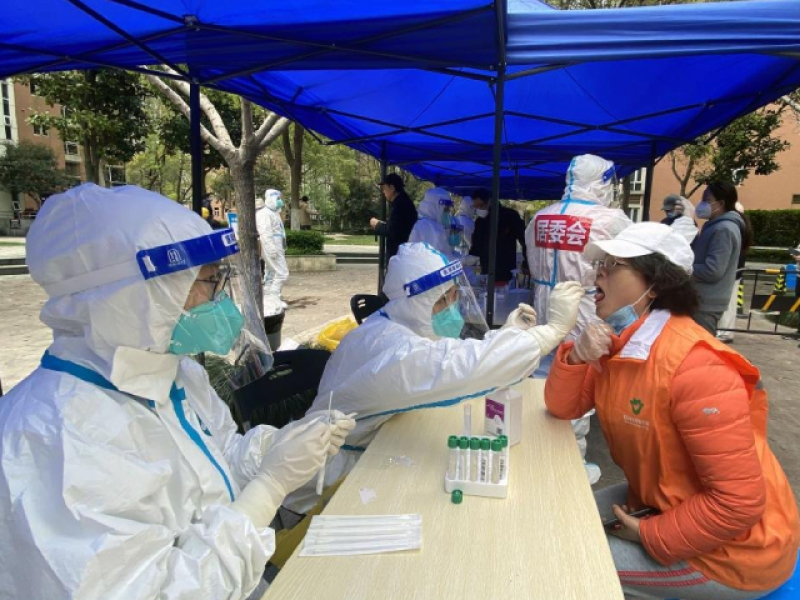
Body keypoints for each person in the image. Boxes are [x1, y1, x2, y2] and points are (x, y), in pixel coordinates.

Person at [0, 184, 356, 600]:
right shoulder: (55, 438)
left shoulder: (174, 375)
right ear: (136, 297)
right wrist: (270, 487)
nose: (220, 299)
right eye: (206, 280)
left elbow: (218, 465)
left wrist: (276, 450)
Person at [544, 221, 799, 600]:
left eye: (613, 264)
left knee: (562, 559)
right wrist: (577, 355)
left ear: (657, 282)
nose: (598, 272)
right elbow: (563, 406)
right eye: (599, 265)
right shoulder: (619, 346)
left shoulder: (697, 367)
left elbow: (738, 503)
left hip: (735, 552)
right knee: (554, 514)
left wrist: (649, 534)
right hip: (660, 501)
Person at [284, 242, 585, 513]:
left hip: (372, 448)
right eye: (442, 300)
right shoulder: (391, 352)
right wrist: (549, 333)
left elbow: (442, 355)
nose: (452, 307)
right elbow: (451, 368)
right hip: (331, 480)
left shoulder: (393, 323)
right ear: (414, 304)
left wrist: (505, 336)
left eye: (455, 295)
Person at [691, 181, 750, 335]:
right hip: (701, 299)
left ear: (720, 203)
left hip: (706, 303)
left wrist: (685, 267)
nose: (702, 204)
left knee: (700, 350)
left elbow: (713, 271)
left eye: (707, 200)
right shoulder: (714, 226)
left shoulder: (724, 229)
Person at [468, 188, 529, 284]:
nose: (479, 209)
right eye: (476, 207)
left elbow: (525, 240)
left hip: (506, 271)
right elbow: (476, 245)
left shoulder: (510, 216)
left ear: (490, 201)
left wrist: (527, 262)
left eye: (481, 205)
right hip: (486, 271)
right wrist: (469, 259)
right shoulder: (480, 221)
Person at [716, 201, 752, 343]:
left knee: (728, 303)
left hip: (732, 271)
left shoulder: (735, 229)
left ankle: (726, 332)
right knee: (728, 303)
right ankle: (725, 330)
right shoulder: (742, 229)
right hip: (734, 271)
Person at [370, 172, 417, 260]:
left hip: (399, 255)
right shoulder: (403, 202)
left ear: (392, 188)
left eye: (384, 188)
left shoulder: (401, 205)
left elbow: (394, 232)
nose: (383, 192)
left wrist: (377, 225)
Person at [257, 189, 289, 319]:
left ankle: (270, 298)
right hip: (272, 247)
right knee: (281, 273)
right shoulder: (264, 214)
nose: (280, 201)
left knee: (271, 272)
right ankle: (273, 298)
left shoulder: (273, 213)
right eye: (277, 198)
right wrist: (271, 249)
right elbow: (265, 233)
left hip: (276, 247)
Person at [408, 187, 453, 258]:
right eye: (445, 209)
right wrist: (462, 260)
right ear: (436, 206)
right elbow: (439, 258)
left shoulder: (424, 224)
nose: (447, 212)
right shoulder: (428, 227)